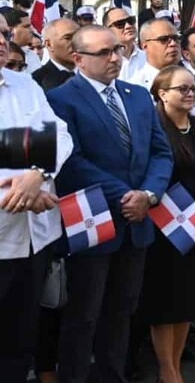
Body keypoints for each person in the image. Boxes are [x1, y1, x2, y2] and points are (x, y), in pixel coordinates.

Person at [47, 25, 173, 383]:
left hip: (138, 221)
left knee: (122, 311)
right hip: (94, 221)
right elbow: (70, 161)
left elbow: (160, 153)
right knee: (84, 315)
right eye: (103, 53)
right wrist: (125, 195)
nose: (115, 58)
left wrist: (148, 195)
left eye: (116, 50)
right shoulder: (60, 99)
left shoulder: (136, 96)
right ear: (78, 59)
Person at [143, 66, 195, 383]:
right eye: (182, 89)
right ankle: (167, 369)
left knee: (190, 300)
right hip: (164, 225)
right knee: (166, 301)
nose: (190, 94)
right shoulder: (155, 129)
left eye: (193, 89)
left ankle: (176, 365)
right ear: (162, 93)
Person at [0, 32, 73, 382]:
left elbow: (57, 134)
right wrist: (24, 189)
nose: (1, 40)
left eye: (2, 33)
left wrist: (36, 175)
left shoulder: (24, 85)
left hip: (33, 240)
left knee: (19, 341)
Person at [32, 18, 77, 92]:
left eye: (79, 37)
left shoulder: (95, 73)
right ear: (49, 44)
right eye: (68, 38)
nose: (75, 42)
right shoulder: (36, 81)